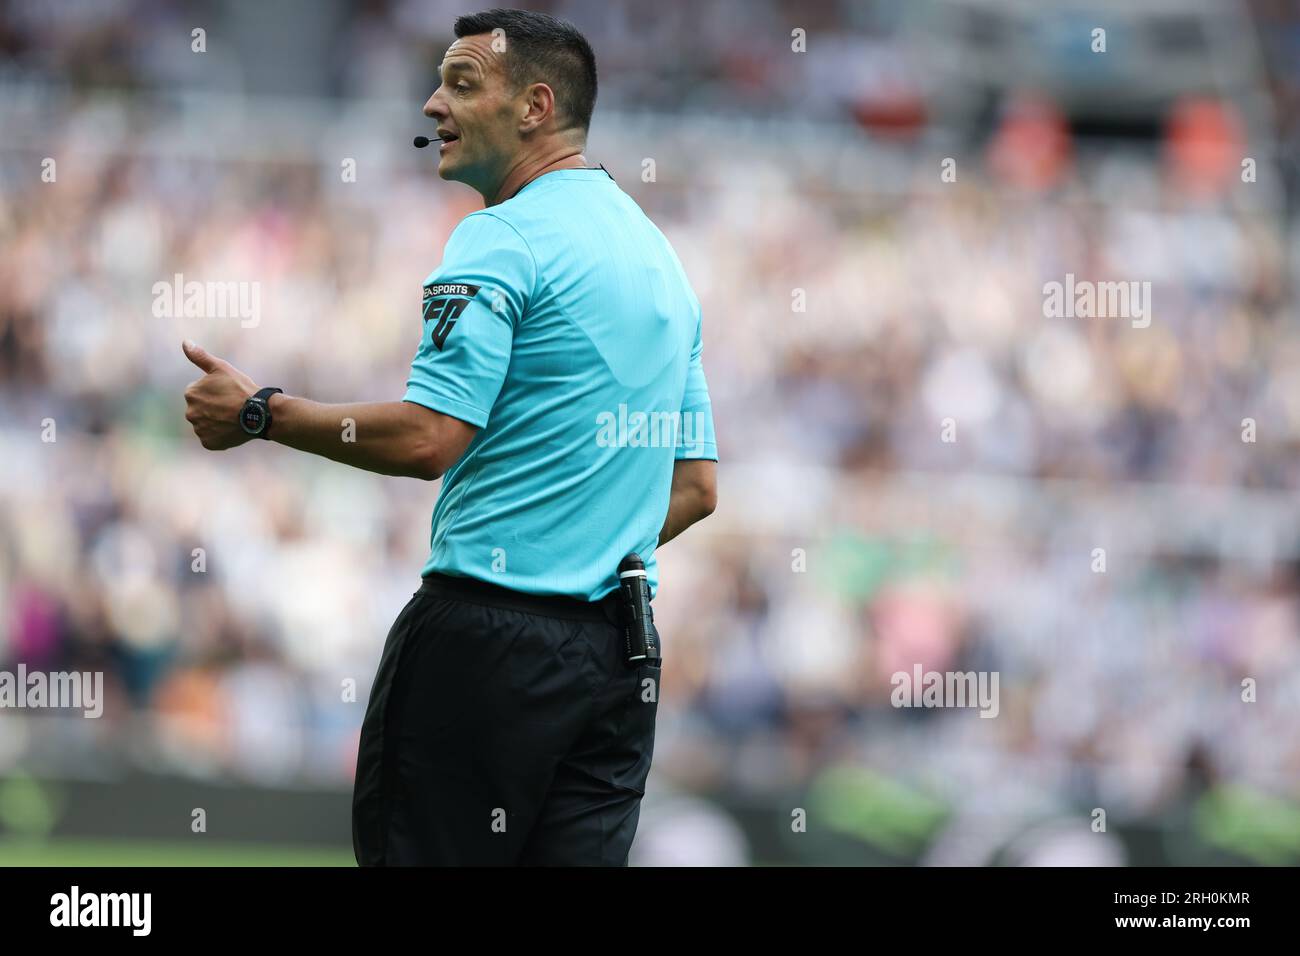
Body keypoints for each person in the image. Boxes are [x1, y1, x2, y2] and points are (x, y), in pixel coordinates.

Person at [181, 7, 718, 865]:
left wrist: (261, 412)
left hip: (484, 648)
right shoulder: (661, 261)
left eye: (461, 83)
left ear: (536, 106)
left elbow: (433, 437)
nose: (432, 104)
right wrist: (577, 551)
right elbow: (695, 488)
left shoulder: (499, 236)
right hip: (620, 658)